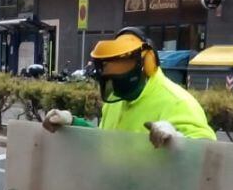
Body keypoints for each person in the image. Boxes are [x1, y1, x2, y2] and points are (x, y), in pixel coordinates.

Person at [43, 27, 215, 147]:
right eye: (111, 66)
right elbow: (105, 143)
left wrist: (179, 140)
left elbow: (209, 154)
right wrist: (73, 122)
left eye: (123, 64)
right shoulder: (116, 99)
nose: (115, 73)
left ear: (147, 63)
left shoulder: (177, 102)